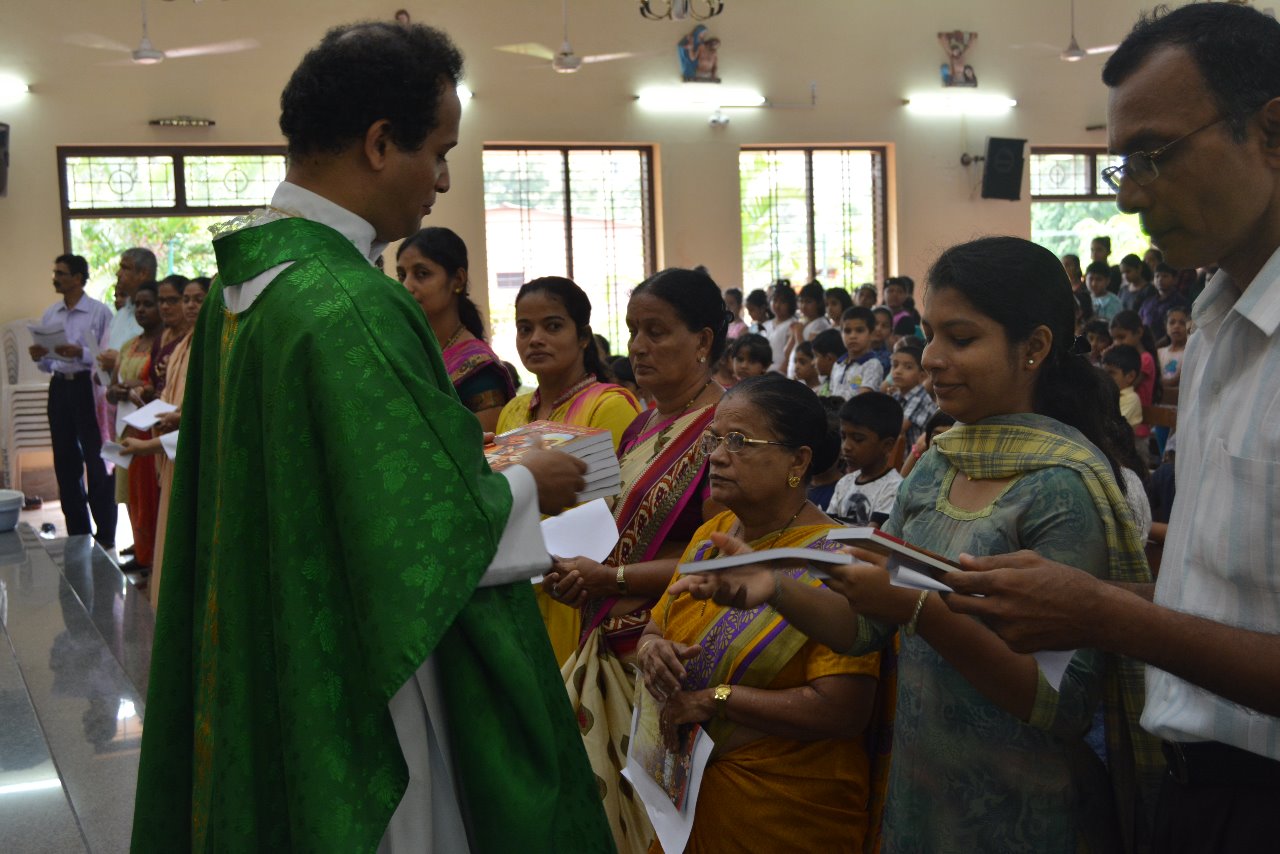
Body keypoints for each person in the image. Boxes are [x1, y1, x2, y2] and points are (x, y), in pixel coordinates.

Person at [129, 22, 611, 854]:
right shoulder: (350, 301)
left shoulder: (246, 291)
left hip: (283, 634)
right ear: (381, 143)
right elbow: (416, 536)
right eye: (439, 152)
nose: (443, 180)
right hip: (364, 672)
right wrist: (534, 483)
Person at [676, 236, 1161, 853]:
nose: (931, 357)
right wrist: (776, 587)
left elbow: (1057, 702)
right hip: (922, 796)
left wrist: (917, 609)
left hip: (1018, 810)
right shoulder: (936, 466)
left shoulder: (1060, 489)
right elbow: (863, 629)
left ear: (1034, 347)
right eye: (930, 335)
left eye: (961, 338)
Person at [944, 7, 1280, 850]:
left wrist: (1107, 615)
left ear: (1272, 132)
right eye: (1121, 164)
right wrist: (1073, 600)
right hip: (1194, 787)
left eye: (1154, 156)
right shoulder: (1221, 328)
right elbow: (1228, 609)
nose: (1128, 195)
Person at [635, 375, 893, 854]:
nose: (716, 456)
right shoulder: (713, 535)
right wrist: (652, 650)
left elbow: (842, 710)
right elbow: (656, 626)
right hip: (685, 804)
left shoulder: (841, 561)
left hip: (782, 813)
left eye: (738, 441)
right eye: (714, 440)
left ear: (798, 461)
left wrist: (716, 699)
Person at [544, 267, 728, 853]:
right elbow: (610, 528)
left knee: (651, 830)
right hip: (605, 634)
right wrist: (579, 573)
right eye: (632, 331)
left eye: (657, 331)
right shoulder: (643, 423)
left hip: (665, 653)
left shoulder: (726, 429)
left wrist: (610, 577)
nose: (639, 347)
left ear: (702, 341)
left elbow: (719, 557)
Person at [496, 276, 642, 664]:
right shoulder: (514, 410)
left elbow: (617, 508)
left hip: (577, 588)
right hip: (516, 583)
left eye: (553, 326)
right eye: (525, 329)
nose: (535, 339)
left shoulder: (610, 406)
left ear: (583, 337)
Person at [119, 277, 210, 607]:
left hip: (194, 454)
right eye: (186, 299)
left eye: (198, 299)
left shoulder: (209, 346)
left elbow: (205, 413)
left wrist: (174, 423)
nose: (189, 306)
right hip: (170, 447)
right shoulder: (184, 344)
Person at [28, 254, 116, 546]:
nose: (55, 278)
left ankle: (106, 534)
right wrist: (40, 356)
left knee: (97, 458)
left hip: (88, 388)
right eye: (55, 272)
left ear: (78, 278)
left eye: (61, 273)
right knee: (65, 460)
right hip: (59, 387)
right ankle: (78, 533)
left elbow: (108, 356)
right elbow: (47, 365)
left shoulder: (99, 312)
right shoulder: (51, 314)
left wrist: (80, 353)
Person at [395, 226, 514, 432]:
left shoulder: (479, 370)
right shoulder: (409, 350)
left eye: (422, 274)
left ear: (458, 280)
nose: (407, 286)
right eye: (402, 275)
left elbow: (484, 446)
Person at [107, 281, 161, 575]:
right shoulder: (130, 345)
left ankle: (151, 553)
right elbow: (110, 388)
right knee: (129, 491)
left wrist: (141, 386)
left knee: (148, 491)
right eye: (137, 305)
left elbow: (160, 385)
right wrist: (116, 391)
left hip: (150, 427)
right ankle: (140, 546)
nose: (141, 310)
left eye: (148, 304)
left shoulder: (164, 344)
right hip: (125, 425)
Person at [826, 392, 903, 527]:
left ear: (887, 445)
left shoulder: (894, 488)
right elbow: (826, 528)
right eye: (843, 437)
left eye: (858, 439)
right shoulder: (844, 483)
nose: (846, 446)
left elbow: (873, 535)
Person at [98, 247, 155, 375]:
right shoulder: (120, 314)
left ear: (143, 273)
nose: (118, 274)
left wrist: (120, 361)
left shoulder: (159, 314)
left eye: (125, 268)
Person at [887, 343, 937, 449]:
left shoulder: (919, 399)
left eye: (908, 367)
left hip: (917, 456)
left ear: (922, 376)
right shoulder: (896, 395)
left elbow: (897, 429)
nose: (898, 371)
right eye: (895, 365)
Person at [829, 306, 884, 399]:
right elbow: (832, 393)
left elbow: (863, 400)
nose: (852, 336)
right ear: (841, 334)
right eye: (847, 331)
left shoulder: (872, 365)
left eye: (859, 330)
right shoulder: (838, 364)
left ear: (872, 334)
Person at [1140, 263, 1188, 343]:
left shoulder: (1180, 302)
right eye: (1157, 276)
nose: (1160, 279)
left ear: (1175, 279)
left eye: (1165, 276)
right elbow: (1140, 321)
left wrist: (1157, 345)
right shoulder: (1148, 301)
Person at [765, 281, 798, 373]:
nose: (777, 305)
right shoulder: (765, 325)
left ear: (791, 304)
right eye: (775, 300)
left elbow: (789, 356)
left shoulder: (793, 325)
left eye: (782, 302)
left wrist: (779, 375)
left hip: (781, 373)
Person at [1157, 305, 1189, 389]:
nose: (1176, 326)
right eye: (1172, 322)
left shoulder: (1190, 353)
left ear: (1189, 326)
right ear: (1166, 326)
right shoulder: (1159, 353)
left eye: (1182, 323)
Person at [811, 328, 843, 396]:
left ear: (829, 358)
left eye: (816, 356)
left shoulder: (841, 383)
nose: (812, 363)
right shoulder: (826, 383)